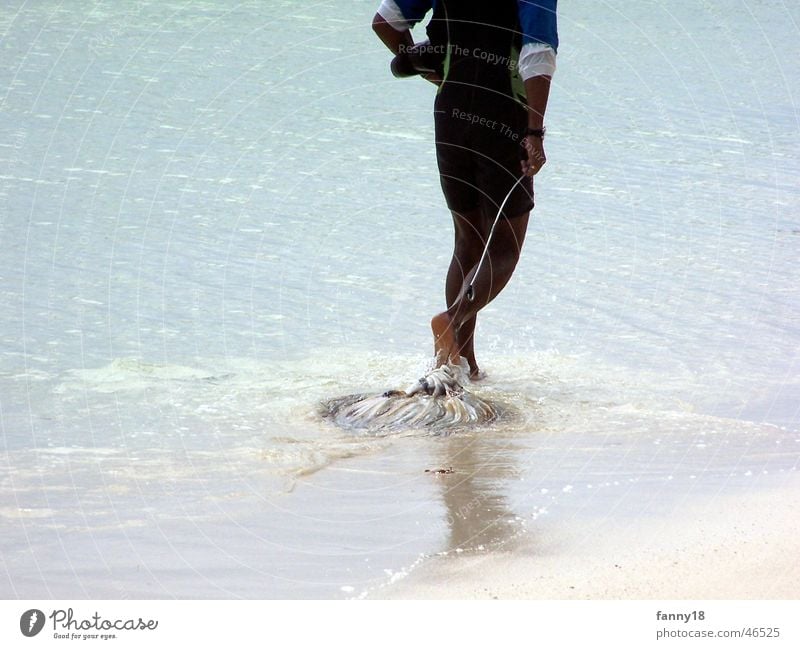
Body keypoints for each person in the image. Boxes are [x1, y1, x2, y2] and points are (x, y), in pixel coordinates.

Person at [372, 0, 558, 383]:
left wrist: (428, 70)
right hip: (503, 113)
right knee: (504, 247)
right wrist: (535, 132)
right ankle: (451, 320)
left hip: (451, 110)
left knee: (466, 242)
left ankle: (459, 362)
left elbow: (385, 21)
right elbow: (538, 54)